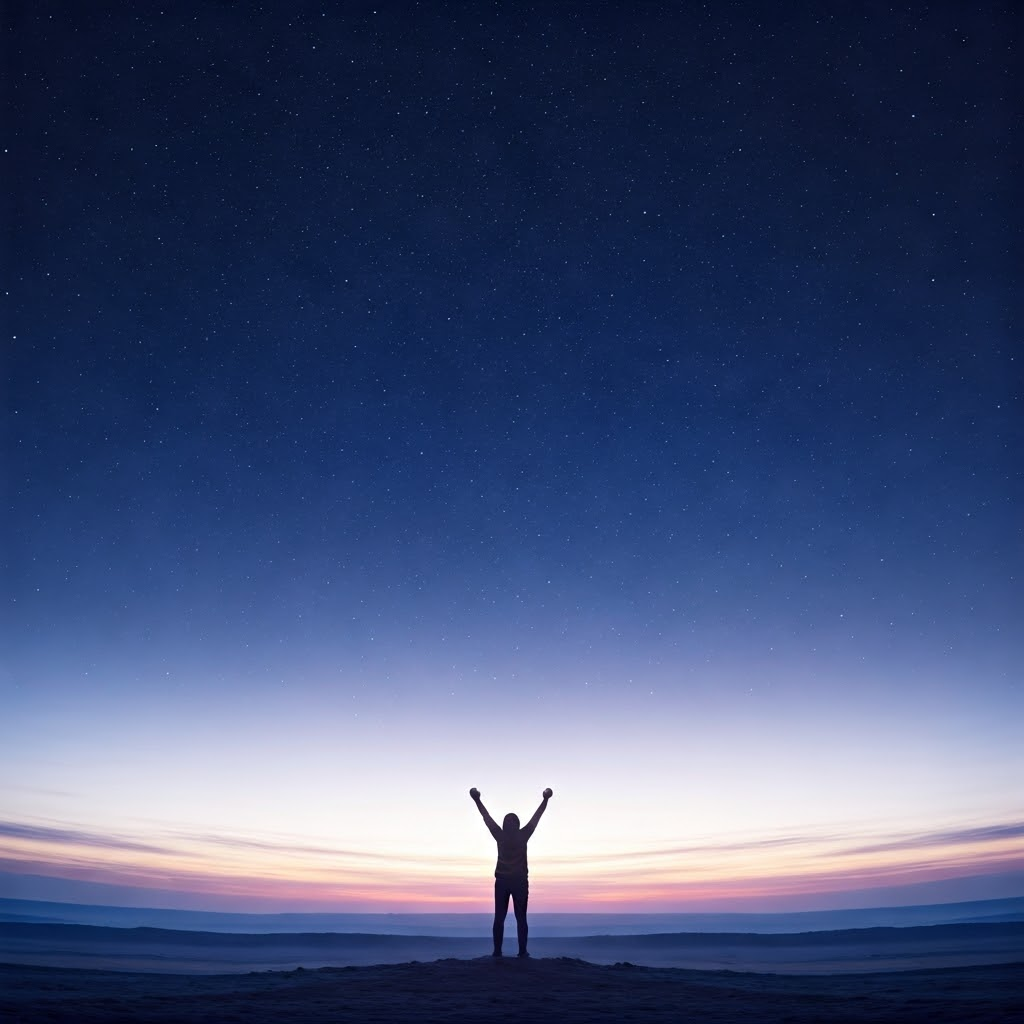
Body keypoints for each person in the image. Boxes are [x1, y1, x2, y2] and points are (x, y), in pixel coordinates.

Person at [469, 786, 552, 958]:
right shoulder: (513, 835)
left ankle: (515, 951)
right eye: (509, 821)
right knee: (505, 918)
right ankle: (504, 951)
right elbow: (487, 818)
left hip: (514, 882)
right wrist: (477, 800)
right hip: (509, 882)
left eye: (512, 821)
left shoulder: (507, 835)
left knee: (514, 918)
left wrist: (545, 800)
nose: (510, 824)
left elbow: (537, 816)